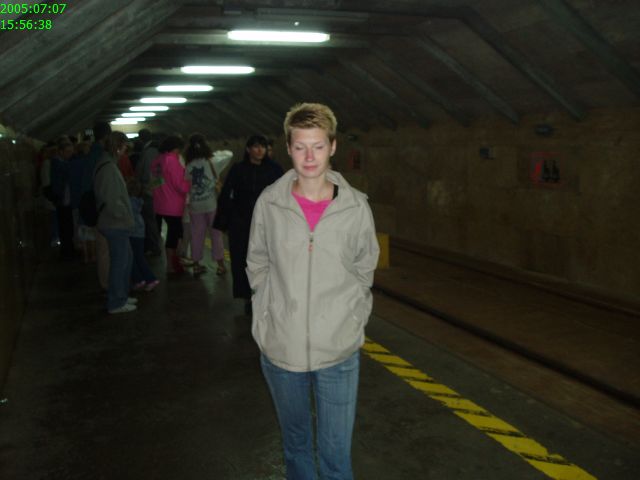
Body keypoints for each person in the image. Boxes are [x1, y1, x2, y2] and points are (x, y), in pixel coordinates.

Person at [246, 103, 379, 479]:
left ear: (332, 147)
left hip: (338, 351)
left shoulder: (355, 208)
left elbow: (365, 266)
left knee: (336, 455)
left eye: (318, 146)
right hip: (282, 349)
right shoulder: (270, 203)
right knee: (296, 447)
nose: (309, 157)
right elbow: (257, 260)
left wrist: (352, 315)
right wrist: (268, 310)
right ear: (288, 148)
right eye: (301, 147)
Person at [214, 134, 283, 313]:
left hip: (267, 222)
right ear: (248, 149)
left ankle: (267, 295)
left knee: (268, 259)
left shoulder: (275, 170)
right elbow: (226, 194)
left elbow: (285, 196)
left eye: (263, 147)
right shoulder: (238, 169)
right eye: (256, 146)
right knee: (242, 259)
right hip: (241, 222)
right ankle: (248, 297)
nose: (260, 150)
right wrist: (225, 221)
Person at [94, 131, 136, 314]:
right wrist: (124, 215)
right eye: (124, 146)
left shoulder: (107, 164)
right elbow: (111, 199)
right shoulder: (109, 168)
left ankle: (121, 296)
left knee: (126, 260)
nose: (126, 151)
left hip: (114, 222)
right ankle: (116, 302)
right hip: (115, 223)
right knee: (120, 263)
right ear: (118, 147)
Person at [183, 133, 229, 275]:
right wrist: (212, 154)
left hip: (195, 206)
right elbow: (229, 154)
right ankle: (220, 266)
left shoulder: (188, 165)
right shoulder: (212, 161)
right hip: (211, 205)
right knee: (216, 235)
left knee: (196, 234)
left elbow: (186, 183)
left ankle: (197, 265)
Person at [150, 135, 190, 274]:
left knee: (175, 234)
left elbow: (155, 183)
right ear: (175, 148)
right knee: (175, 235)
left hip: (160, 203)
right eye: (179, 149)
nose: (180, 153)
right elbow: (180, 185)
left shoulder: (157, 161)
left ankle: (174, 263)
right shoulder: (172, 160)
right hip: (173, 204)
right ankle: (172, 265)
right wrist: (190, 184)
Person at [127, 178, 160, 292]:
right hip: (139, 233)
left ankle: (150, 279)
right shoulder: (139, 201)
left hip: (133, 233)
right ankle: (139, 279)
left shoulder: (129, 202)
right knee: (136, 257)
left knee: (136, 257)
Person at [49, 136, 75, 260]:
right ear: (61, 152)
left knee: (66, 227)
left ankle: (68, 250)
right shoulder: (59, 164)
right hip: (63, 200)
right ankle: (67, 251)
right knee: (65, 227)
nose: (70, 155)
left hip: (64, 199)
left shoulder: (59, 163)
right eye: (68, 152)